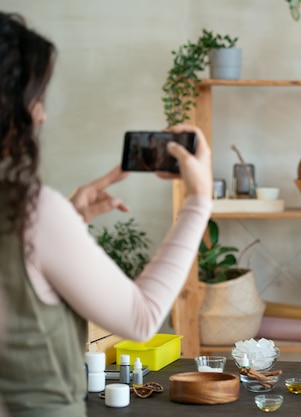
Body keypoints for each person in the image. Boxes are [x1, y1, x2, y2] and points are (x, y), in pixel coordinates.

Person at [0, 12, 213, 417]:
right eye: (36, 97)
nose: (42, 114)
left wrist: (68, 221)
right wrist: (198, 201)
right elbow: (141, 317)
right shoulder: (31, 211)